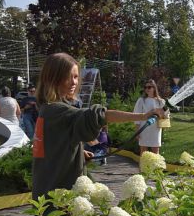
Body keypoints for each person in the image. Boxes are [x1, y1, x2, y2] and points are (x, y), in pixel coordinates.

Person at [32, 53, 166, 201]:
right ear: (53, 78)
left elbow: (54, 145)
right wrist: (143, 116)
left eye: (76, 77)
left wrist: (78, 153)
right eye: (68, 76)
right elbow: (101, 116)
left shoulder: (47, 109)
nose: (74, 82)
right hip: (58, 195)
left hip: (44, 188)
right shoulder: (58, 111)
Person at [133, 80, 166, 155]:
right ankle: (143, 167)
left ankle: (156, 166)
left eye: (149, 87)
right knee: (143, 152)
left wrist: (161, 114)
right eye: (145, 87)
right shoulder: (141, 100)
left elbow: (166, 116)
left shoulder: (161, 101)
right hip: (144, 128)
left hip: (156, 129)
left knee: (156, 151)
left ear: (154, 88)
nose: (147, 89)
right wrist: (137, 131)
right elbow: (136, 116)